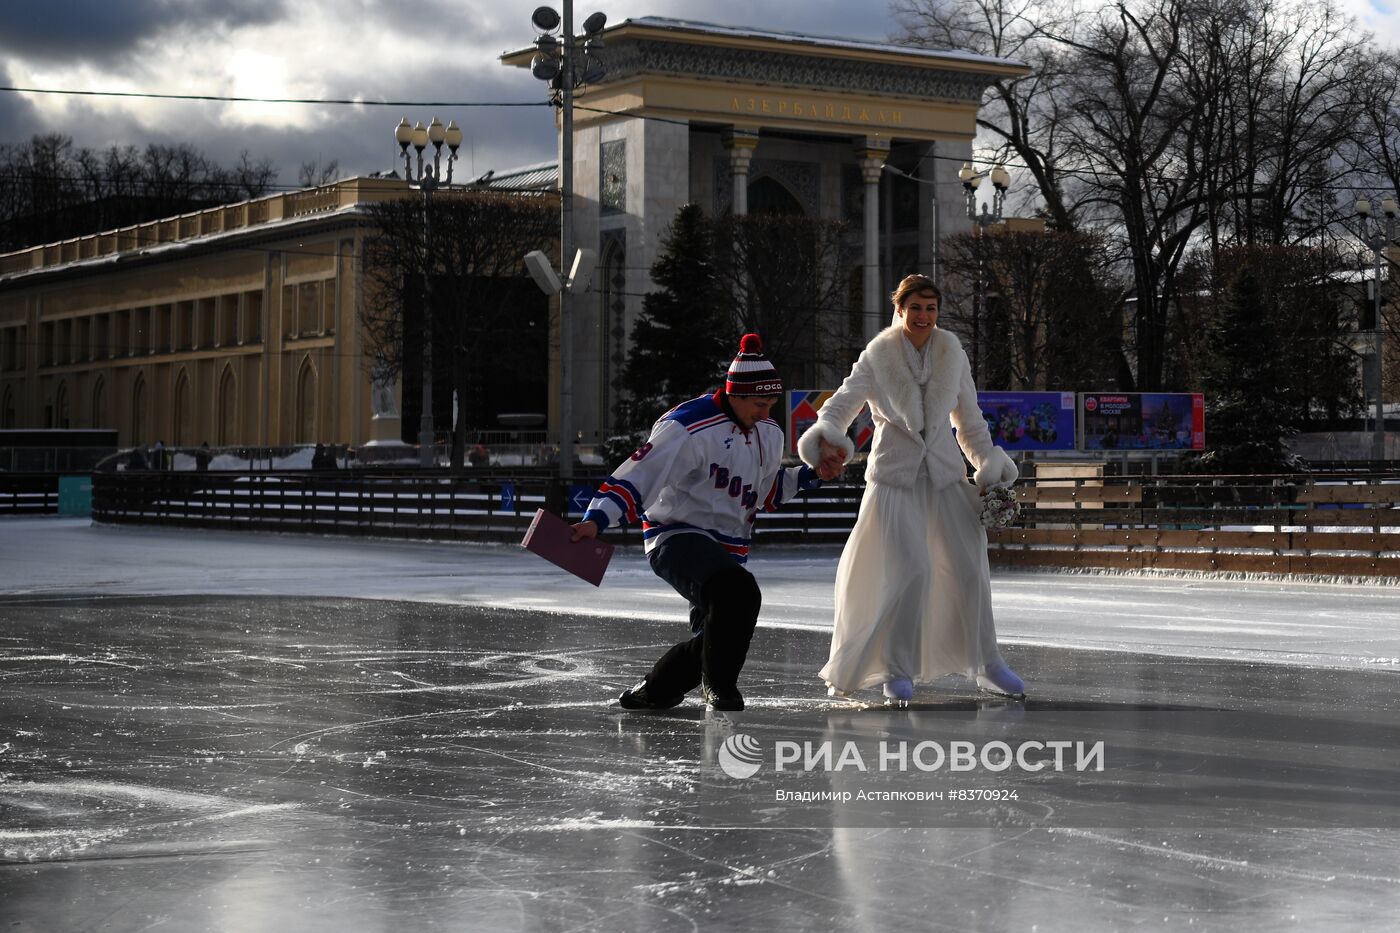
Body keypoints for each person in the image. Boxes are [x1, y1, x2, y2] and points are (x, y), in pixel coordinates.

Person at [571, 334, 841, 712]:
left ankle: (656, 689)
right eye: (759, 404)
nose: (766, 413)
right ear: (735, 394)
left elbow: (766, 492)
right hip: (675, 537)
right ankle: (721, 689)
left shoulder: (768, 433)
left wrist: (813, 474)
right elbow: (641, 472)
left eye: (771, 404)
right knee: (738, 592)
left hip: (728, 549)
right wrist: (597, 518)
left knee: (717, 632)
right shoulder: (686, 426)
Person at [797, 274, 1024, 705]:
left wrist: (988, 467)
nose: (924, 316)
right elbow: (842, 404)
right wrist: (828, 434)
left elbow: (970, 422)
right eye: (915, 308)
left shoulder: (952, 354)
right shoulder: (877, 356)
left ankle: (988, 662)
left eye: (931, 308)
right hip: (895, 482)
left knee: (970, 569)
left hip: (944, 479)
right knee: (910, 572)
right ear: (899, 310)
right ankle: (895, 670)